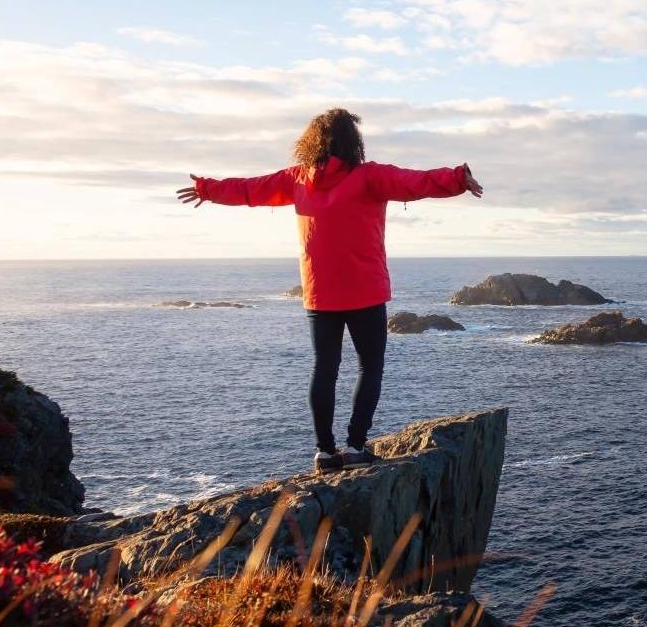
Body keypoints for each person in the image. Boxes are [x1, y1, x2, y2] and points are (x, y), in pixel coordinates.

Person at [175, 108, 483, 473]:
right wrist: (458, 178)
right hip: (365, 291)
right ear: (354, 141)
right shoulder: (368, 176)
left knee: (325, 368)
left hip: (320, 293)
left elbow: (249, 189)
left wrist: (207, 189)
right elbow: (415, 182)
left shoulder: (298, 179)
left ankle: (324, 452)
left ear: (311, 142)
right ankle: (354, 447)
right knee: (370, 366)